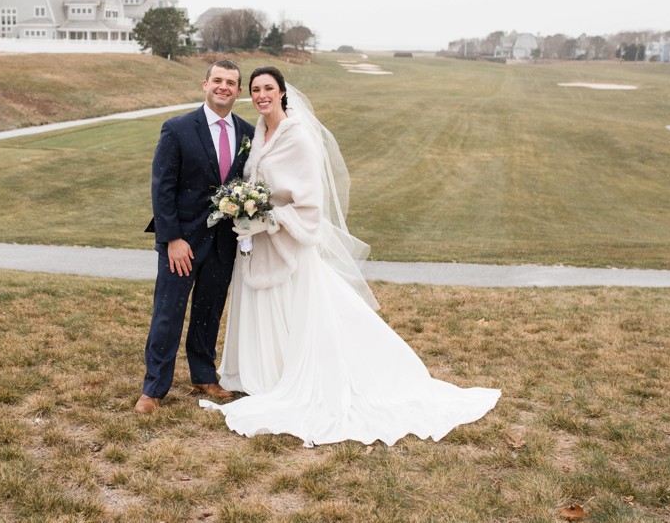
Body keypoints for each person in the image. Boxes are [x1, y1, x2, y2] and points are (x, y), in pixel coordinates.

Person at [201, 67, 500, 446]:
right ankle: (265, 375)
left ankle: (300, 379)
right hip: (258, 247)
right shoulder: (258, 135)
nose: (261, 95)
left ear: (282, 93)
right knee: (266, 309)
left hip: (288, 245)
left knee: (300, 315)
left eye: (268, 89)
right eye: (256, 89)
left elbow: (310, 204)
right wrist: (246, 213)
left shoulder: (299, 139)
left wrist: (268, 220)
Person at [136, 60, 257, 414]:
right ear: (205, 84)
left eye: (231, 83)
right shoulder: (177, 128)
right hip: (182, 242)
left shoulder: (248, 133)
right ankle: (154, 388)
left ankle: (204, 375)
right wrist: (172, 238)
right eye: (217, 80)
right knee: (167, 314)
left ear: (238, 91)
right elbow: (163, 188)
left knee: (209, 310)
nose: (223, 87)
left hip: (223, 242)